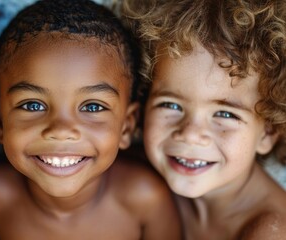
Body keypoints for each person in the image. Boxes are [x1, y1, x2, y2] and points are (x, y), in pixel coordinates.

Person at [0, 0, 181, 239]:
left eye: (92, 106)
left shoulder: (143, 198)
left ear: (127, 126)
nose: (61, 130)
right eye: (32, 105)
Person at [122, 0, 286, 239]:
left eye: (226, 114)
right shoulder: (138, 172)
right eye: (170, 105)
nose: (190, 134)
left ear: (268, 132)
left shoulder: (270, 231)